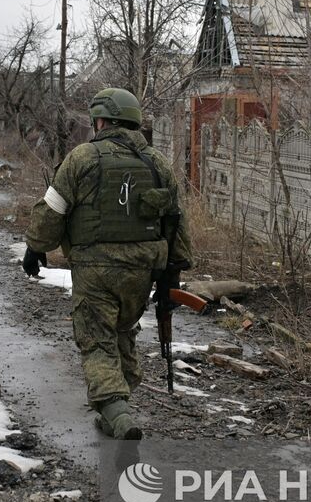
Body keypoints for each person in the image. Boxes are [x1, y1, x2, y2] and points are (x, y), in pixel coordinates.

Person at [22, 88, 192, 439]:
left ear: (101, 120)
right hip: (142, 272)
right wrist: (171, 276)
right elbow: (176, 222)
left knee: (97, 339)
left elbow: (52, 209)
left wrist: (35, 248)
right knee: (123, 330)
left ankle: (116, 409)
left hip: (95, 270)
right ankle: (118, 405)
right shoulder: (157, 163)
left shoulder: (82, 158)